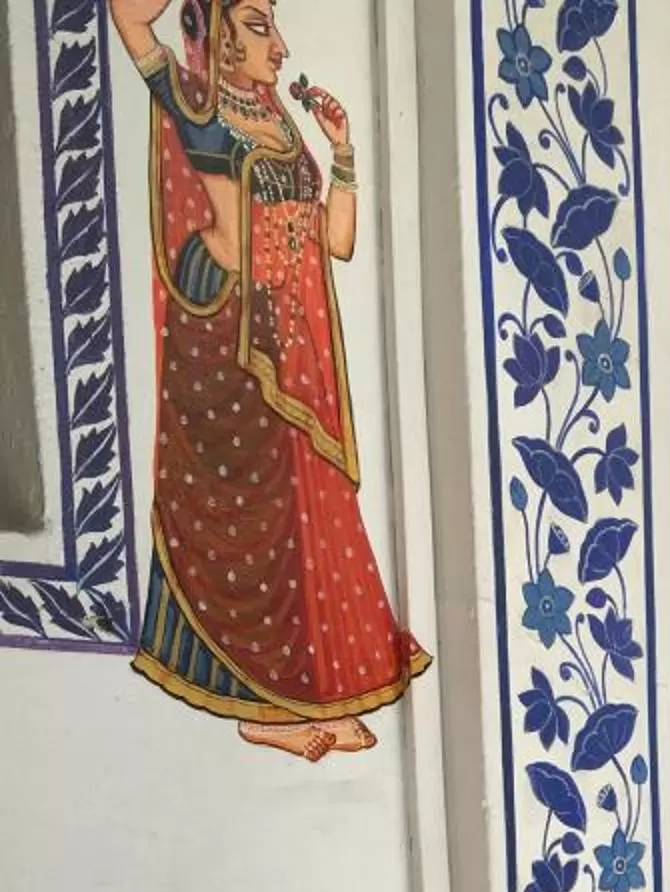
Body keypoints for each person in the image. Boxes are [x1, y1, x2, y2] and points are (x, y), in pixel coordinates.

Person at [106, 0, 428, 762]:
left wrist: (341, 149)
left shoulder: (281, 125)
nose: (280, 46)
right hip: (225, 332)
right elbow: (129, 22)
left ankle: (311, 691)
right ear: (218, 33)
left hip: (286, 334)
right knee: (244, 512)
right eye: (258, 25)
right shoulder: (198, 103)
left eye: (275, 26)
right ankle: (264, 702)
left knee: (306, 509)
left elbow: (336, 241)